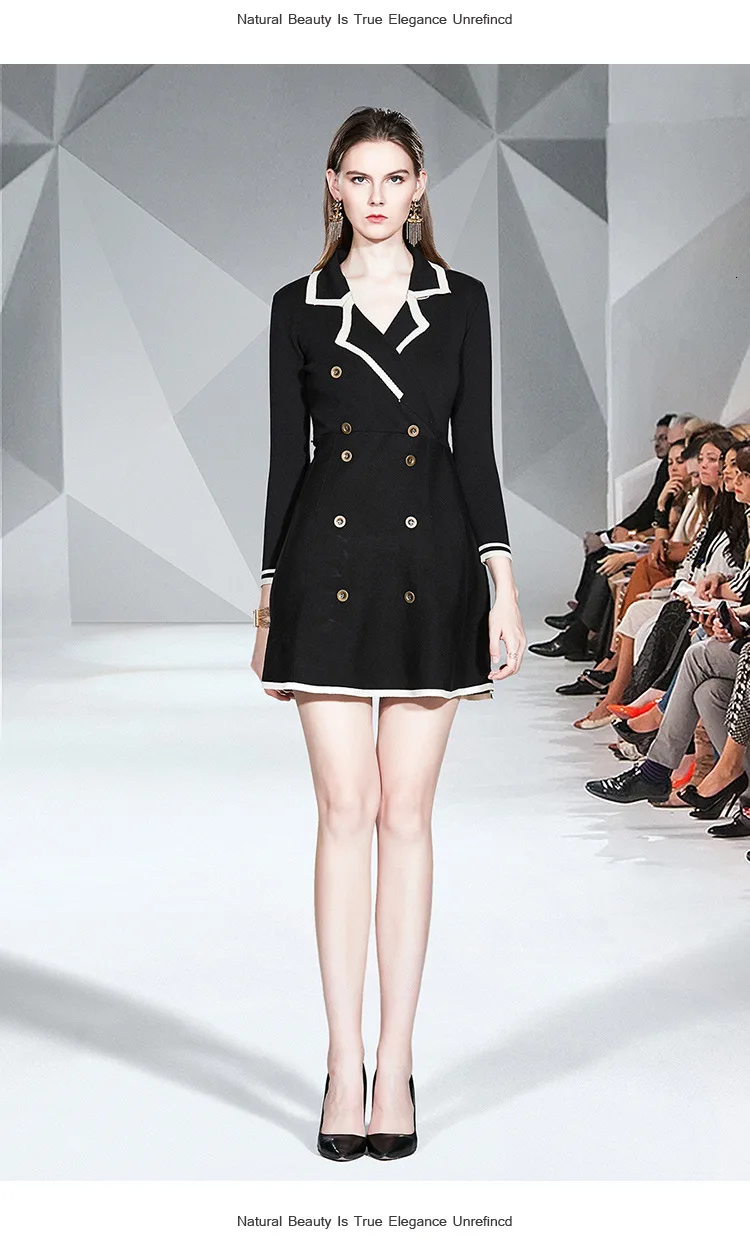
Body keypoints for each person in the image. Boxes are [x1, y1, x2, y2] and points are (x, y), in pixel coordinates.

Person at [250, 107, 525, 1162]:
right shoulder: (297, 306)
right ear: (333, 184)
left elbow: (474, 452)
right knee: (344, 811)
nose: (375, 195)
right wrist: (267, 600)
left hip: (431, 568)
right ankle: (340, 1059)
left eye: (393, 177)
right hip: (323, 575)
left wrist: (502, 586)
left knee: (407, 814)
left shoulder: (463, 300)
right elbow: (286, 461)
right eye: (358, 177)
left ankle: (396, 1060)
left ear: (419, 186)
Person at [532, 415, 689, 659]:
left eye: (681, 458)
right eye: (671, 460)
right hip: (662, 557)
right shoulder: (681, 493)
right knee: (609, 559)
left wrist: (630, 542)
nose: (674, 465)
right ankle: (586, 633)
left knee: (612, 562)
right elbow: (657, 528)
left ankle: (591, 643)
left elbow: (672, 541)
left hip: (674, 567)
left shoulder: (695, 498)